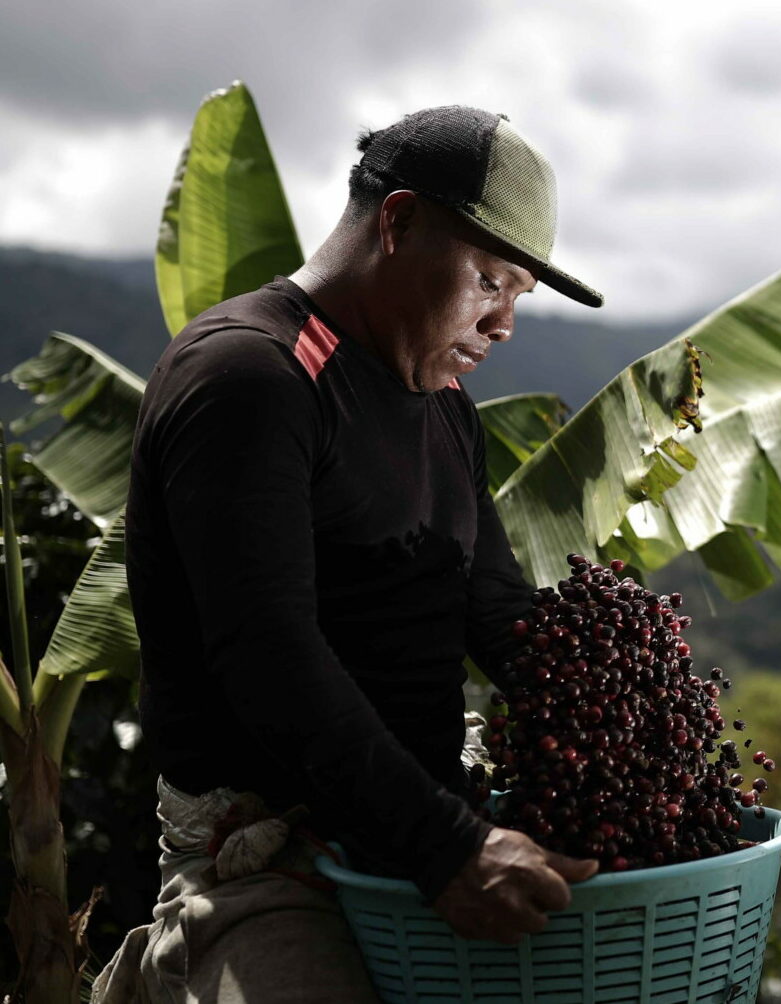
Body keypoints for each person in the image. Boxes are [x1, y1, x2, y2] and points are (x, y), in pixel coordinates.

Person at [91, 105, 603, 1003]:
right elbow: (267, 655)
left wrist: (608, 713)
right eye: (490, 280)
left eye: (518, 294)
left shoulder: (440, 404)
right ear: (399, 222)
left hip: (420, 823)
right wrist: (447, 848)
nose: (504, 323)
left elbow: (493, 608)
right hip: (268, 858)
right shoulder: (251, 376)